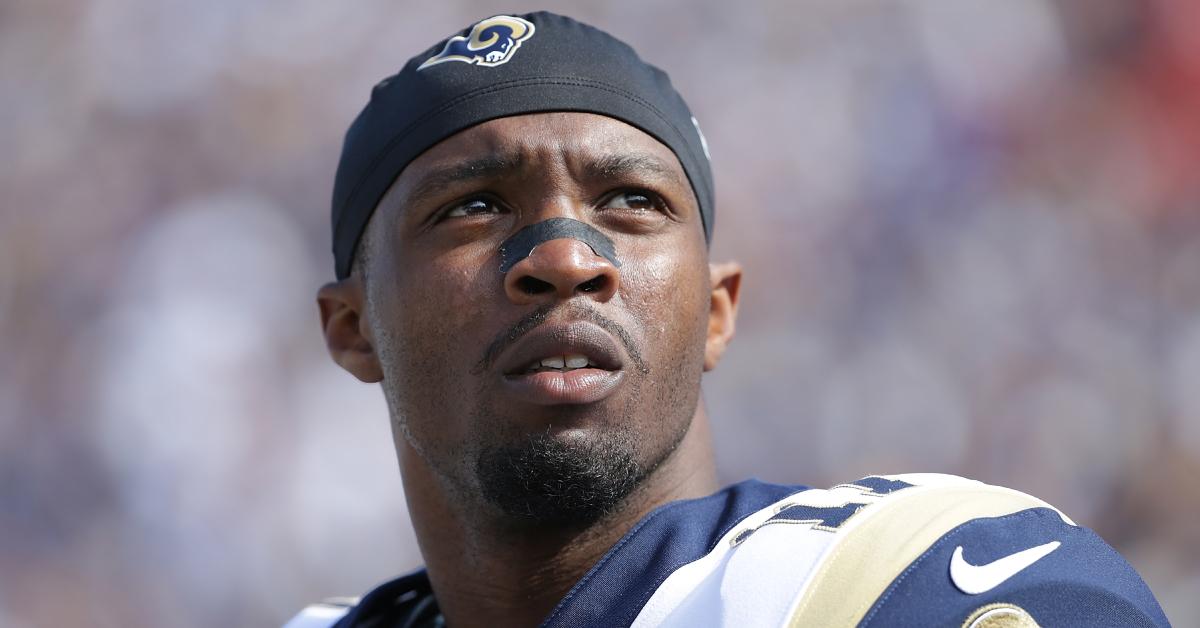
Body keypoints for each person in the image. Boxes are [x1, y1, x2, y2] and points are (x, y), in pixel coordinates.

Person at [289, 12, 1170, 628]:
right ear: (351, 327)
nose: (564, 257)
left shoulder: (897, 584)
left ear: (716, 312)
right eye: (473, 207)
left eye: (631, 201)